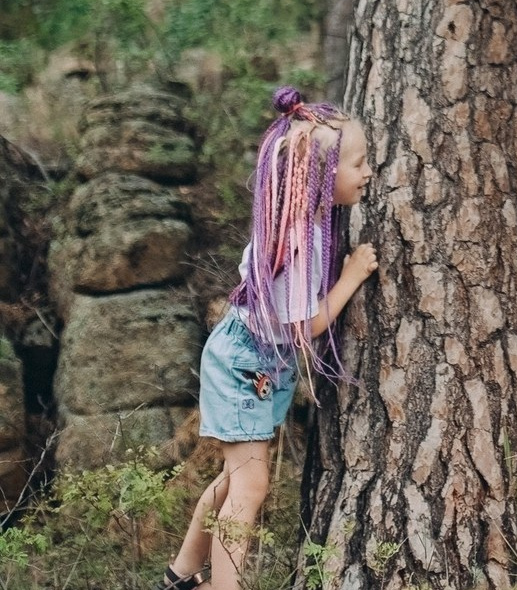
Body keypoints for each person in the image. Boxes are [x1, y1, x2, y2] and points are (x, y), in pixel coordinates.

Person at [155, 87, 378, 590]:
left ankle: (181, 574)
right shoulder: (298, 243)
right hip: (243, 366)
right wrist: (352, 277)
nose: (367, 174)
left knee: (235, 480)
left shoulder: (310, 224)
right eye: (358, 164)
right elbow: (308, 326)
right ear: (321, 177)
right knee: (251, 487)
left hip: (258, 367)